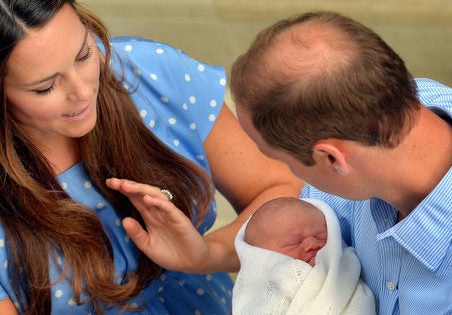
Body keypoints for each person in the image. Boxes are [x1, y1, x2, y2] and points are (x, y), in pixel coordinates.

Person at [0, 0, 303, 314]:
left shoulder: (151, 72)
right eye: (45, 87)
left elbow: (281, 190)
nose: (84, 90)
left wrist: (206, 255)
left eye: (84, 54)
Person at [230, 11, 452, 315]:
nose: (296, 180)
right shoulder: (406, 100)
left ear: (332, 158)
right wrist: (207, 255)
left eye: (285, 162)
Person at [232, 197, 376, 314]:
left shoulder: (345, 265)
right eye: (295, 242)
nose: (312, 244)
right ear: (263, 255)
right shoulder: (268, 286)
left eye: (321, 236)